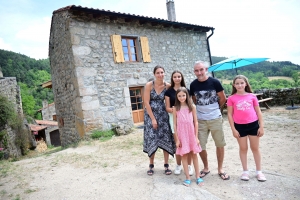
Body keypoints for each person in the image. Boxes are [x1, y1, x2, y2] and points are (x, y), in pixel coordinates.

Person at [190, 61, 230, 180]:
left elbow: (223, 98)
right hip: (200, 120)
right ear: (194, 72)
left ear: (206, 69)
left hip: (215, 118)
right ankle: (206, 167)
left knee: (220, 144)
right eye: (197, 70)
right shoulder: (193, 85)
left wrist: (215, 109)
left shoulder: (215, 82)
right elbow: (194, 100)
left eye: (201, 69)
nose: (199, 72)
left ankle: (220, 169)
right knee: (200, 145)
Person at [227, 75, 266, 182]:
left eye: (242, 83)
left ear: (246, 84)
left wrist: (261, 127)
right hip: (239, 127)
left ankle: (259, 172)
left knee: (255, 148)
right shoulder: (231, 98)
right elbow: (229, 114)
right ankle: (245, 171)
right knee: (243, 149)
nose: (239, 85)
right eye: (237, 83)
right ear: (234, 85)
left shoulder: (252, 97)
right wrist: (233, 129)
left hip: (253, 125)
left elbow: (258, 112)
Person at [143, 65, 176, 176]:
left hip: (163, 116)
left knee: (165, 139)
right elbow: (146, 102)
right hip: (150, 116)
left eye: (162, 72)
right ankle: (151, 164)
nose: (160, 74)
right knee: (152, 139)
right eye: (158, 73)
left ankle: (166, 164)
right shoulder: (149, 85)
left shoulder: (168, 86)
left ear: (164, 73)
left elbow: (173, 99)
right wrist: (153, 119)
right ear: (154, 74)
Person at [173, 87, 203, 186]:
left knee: (194, 155)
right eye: (179, 96)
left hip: (191, 134)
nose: (182, 98)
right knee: (184, 155)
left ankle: (198, 176)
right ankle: (187, 177)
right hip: (181, 135)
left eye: (183, 95)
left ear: (187, 96)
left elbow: (196, 122)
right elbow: (174, 125)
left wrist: (196, 137)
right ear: (177, 97)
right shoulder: (175, 108)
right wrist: (177, 139)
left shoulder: (192, 107)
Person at [165, 70, 194, 175]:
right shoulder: (169, 92)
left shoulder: (187, 90)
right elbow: (167, 107)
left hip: (186, 119)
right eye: (175, 77)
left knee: (189, 142)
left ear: (182, 78)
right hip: (174, 118)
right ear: (172, 79)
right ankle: (178, 165)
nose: (177, 78)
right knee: (178, 142)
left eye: (179, 76)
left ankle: (189, 166)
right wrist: (176, 111)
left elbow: (190, 105)